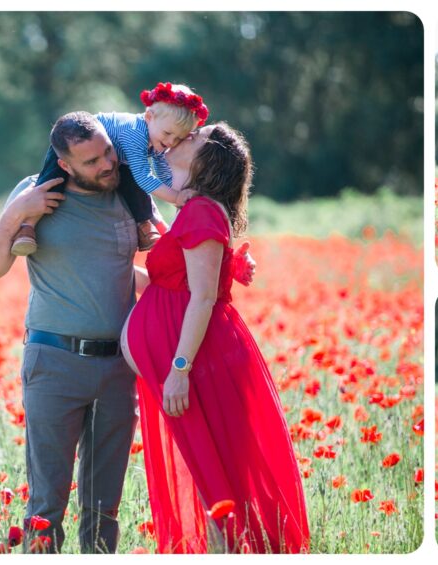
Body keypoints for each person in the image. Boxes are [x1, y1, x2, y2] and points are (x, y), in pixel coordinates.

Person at [0, 111, 253, 554]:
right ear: (64, 164)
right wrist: (15, 215)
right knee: (46, 504)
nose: (107, 164)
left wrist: (226, 266)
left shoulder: (130, 191)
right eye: (91, 162)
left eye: (108, 152)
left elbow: (172, 263)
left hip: (118, 369)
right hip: (54, 364)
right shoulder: (36, 194)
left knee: (104, 508)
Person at [121, 123, 310, 554]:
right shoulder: (194, 210)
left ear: (211, 161)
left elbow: (204, 297)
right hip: (194, 358)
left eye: (196, 137)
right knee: (210, 472)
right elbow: (169, 285)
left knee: (215, 476)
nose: (184, 136)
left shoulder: (203, 212)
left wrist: (179, 369)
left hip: (198, 362)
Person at [10, 83, 209, 256]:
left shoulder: (158, 139)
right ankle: (27, 227)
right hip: (74, 144)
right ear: (149, 117)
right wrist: (176, 197)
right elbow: (144, 177)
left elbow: (162, 168)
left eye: (179, 138)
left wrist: (179, 193)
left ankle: (146, 225)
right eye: (168, 133)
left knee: (131, 184)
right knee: (51, 184)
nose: (171, 142)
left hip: (113, 159)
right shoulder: (135, 134)